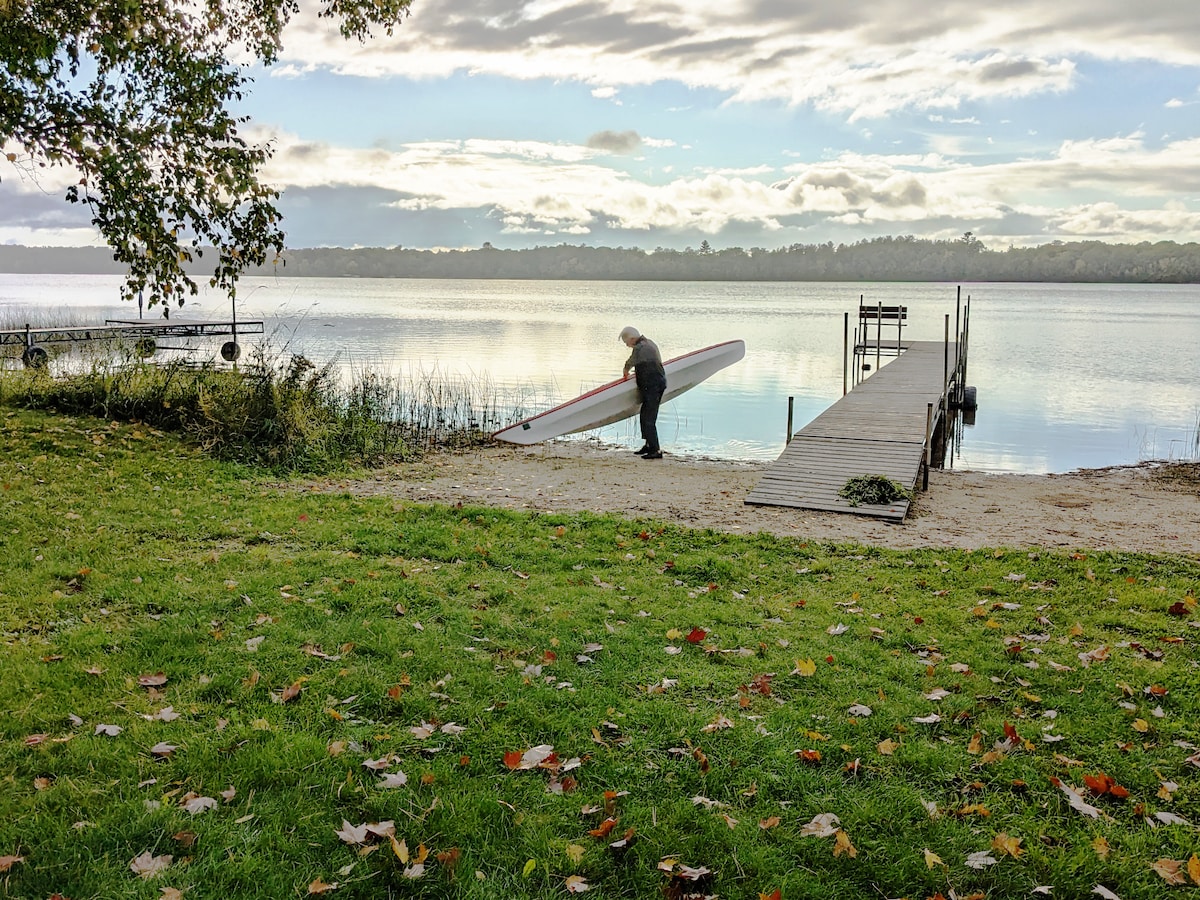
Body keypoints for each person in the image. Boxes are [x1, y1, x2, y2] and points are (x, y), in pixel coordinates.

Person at [619, 326, 667, 459]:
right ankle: (648, 445)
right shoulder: (649, 343)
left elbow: (632, 361)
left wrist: (626, 369)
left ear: (632, 339)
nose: (627, 345)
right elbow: (646, 363)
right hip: (654, 384)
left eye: (626, 342)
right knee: (645, 415)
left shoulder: (640, 348)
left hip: (654, 386)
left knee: (649, 419)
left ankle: (655, 450)